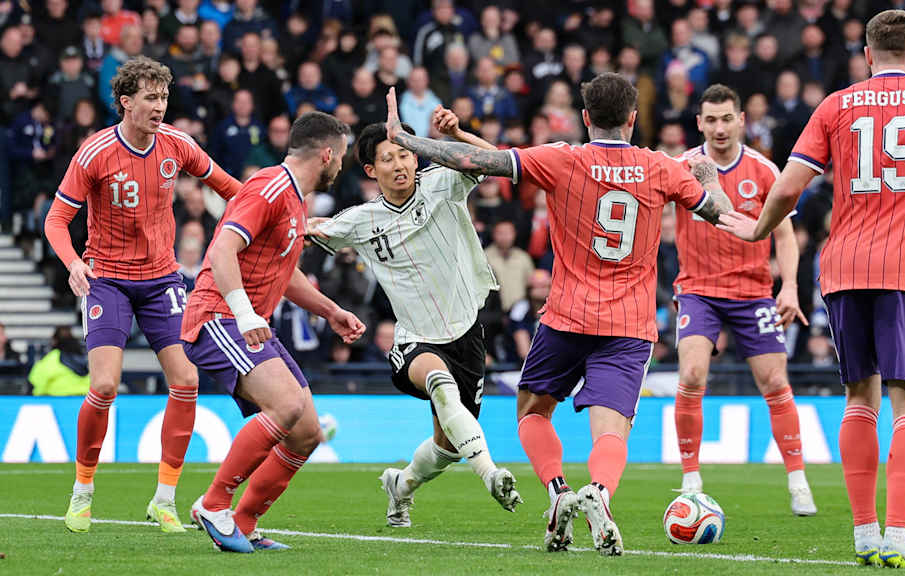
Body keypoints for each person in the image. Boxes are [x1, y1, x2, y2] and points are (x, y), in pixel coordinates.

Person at [717, 10, 905, 569]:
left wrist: (758, 229)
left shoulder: (836, 104)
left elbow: (788, 188)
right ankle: (899, 537)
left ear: (866, 54)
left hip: (842, 271)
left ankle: (864, 534)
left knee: (860, 397)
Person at [382, 73, 730, 555]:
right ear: (633, 119)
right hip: (629, 324)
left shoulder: (562, 158)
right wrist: (709, 175)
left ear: (587, 118)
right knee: (612, 428)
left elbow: (477, 161)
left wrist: (405, 140)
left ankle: (558, 490)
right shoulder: (661, 168)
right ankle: (600, 494)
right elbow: (721, 213)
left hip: (566, 315)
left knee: (532, 410)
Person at [43, 55, 242, 535]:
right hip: (107, 279)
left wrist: (271, 209)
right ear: (126, 102)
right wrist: (73, 263)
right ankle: (83, 492)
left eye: (164, 97)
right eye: (151, 97)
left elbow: (230, 189)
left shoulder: (177, 144)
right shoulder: (94, 154)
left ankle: (165, 499)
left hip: (162, 281)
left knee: (186, 380)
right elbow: (55, 220)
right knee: (105, 385)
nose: (160, 106)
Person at [308, 107, 522, 528]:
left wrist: (457, 132)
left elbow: (495, 160)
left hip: (467, 332)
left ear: (416, 155)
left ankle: (401, 487)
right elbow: (309, 229)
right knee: (440, 385)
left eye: (404, 154)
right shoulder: (359, 220)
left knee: (448, 447)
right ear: (371, 170)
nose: (399, 164)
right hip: (415, 340)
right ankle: (492, 474)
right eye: (387, 158)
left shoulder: (444, 181)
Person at [184, 111, 365, 553]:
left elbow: (284, 272)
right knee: (285, 405)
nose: (341, 167)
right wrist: (246, 315)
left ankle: (243, 524)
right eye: (340, 157)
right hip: (218, 317)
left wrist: (330, 310)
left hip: (247, 323)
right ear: (326, 155)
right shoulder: (268, 187)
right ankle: (214, 503)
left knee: (307, 432)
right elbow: (224, 248)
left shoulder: (292, 199)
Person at [673, 84, 816, 516]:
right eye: (711, 120)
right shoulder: (682, 168)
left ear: (741, 120)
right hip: (698, 288)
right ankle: (690, 479)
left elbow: (786, 235)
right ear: (699, 123)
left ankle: (798, 480)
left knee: (775, 382)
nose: (719, 128)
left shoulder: (765, 170)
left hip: (753, 291)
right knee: (693, 373)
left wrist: (788, 286)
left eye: (727, 118)